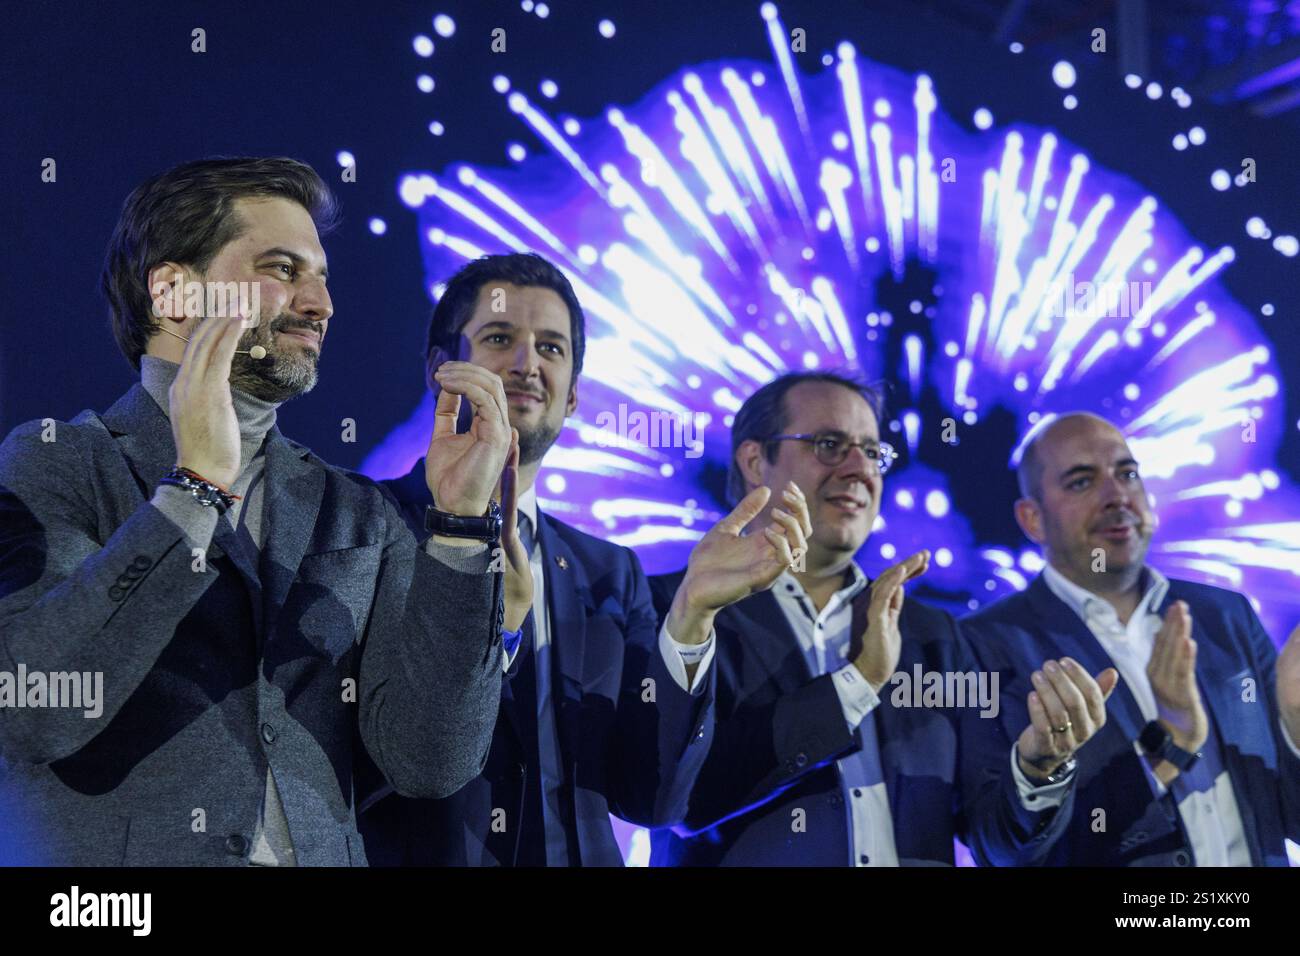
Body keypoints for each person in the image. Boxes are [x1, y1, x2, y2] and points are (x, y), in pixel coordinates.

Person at [0, 157, 510, 865]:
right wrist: (192, 491)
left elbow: (432, 762)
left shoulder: (355, 510)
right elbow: (33, 712)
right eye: (282, 269)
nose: (321, 304)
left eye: (323, 278)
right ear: (174, 291)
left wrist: (458, 527)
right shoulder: (56, 462)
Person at [359, 252, 811, 865]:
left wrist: (690, 621)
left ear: (573, 395)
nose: (526, 365)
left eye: (551, 349)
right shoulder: (366, 525)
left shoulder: (610, 572)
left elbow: (651, 800)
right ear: (442, 368)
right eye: (499, 338)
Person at [648, 371, 1112, 866]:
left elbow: (995, 842)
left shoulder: (933, 634)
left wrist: (1037, 769)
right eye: (829, 444)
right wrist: (860, 681)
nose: (858, 469)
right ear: (755, 461)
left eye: (873, 453)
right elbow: (677, 797)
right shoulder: (676, 608)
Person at [962, 411, 1300, 865]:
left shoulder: (1226, 614)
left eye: (1127, 474)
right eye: (1082, 482)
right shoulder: (982, 645)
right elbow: (997, 846)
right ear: (1033, 519)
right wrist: (1168, 748)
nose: (1116, 495)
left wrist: (1295, 727)